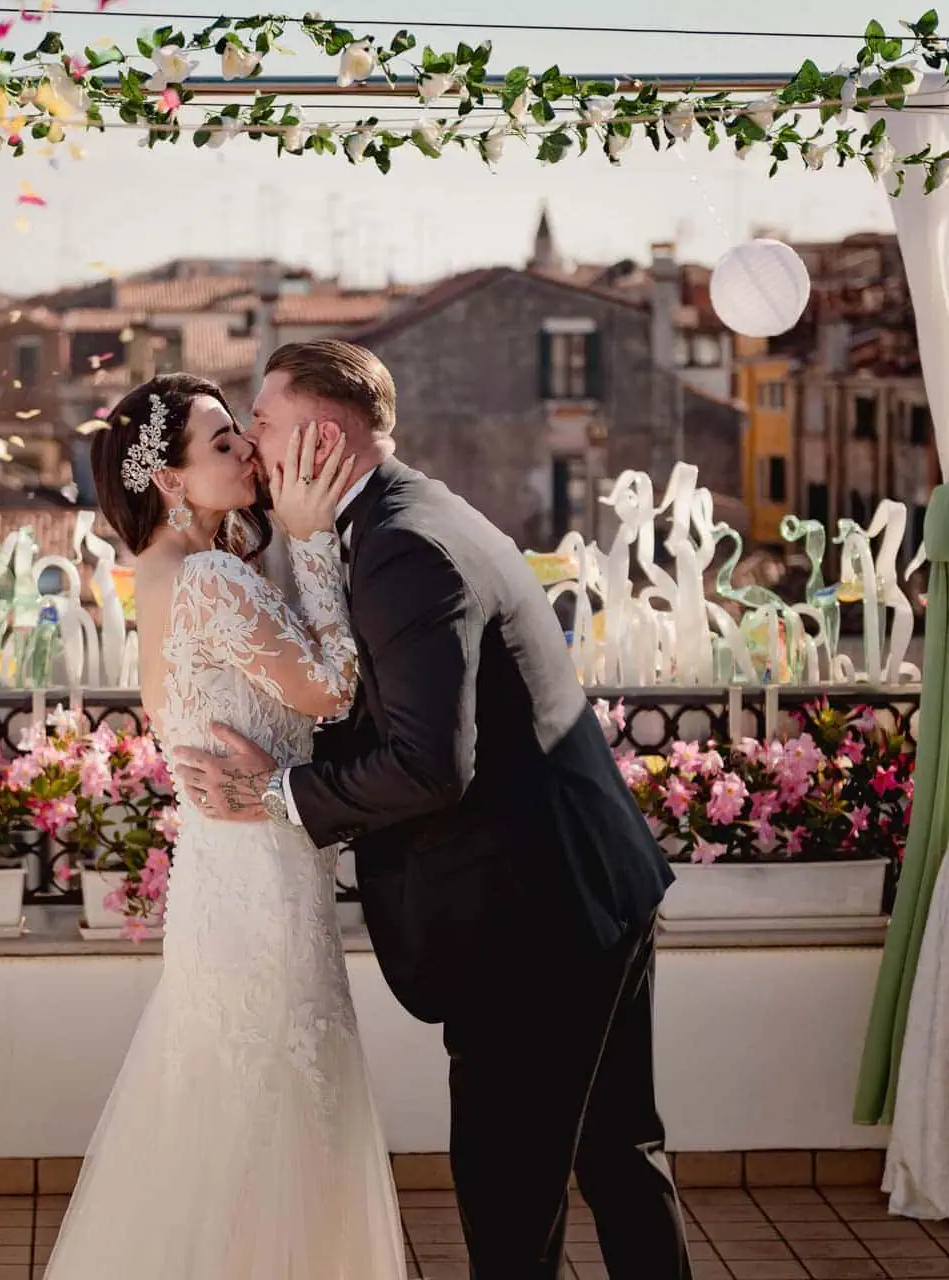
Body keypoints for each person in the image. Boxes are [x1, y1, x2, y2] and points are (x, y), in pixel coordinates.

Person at [172, 340, 691, 1280]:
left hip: (528, 917)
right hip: (592, 880)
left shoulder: (404, 546)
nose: (252, 440)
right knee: (621, 1155)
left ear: (322, 438)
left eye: (265, 421)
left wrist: (280, 793)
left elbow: (428, 765)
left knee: (509, 1191)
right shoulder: (411, 509)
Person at [43, 372, 406, 1279]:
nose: (247, 448)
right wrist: (317, 545)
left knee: (233, 1103)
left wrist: (287, 535)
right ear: (169, 481)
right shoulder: (206, 578)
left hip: (226, 870)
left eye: (239, 432)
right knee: (272, 1107)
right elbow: (329, 689)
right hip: (259, 883)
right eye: (221, 444)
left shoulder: (177, 569)